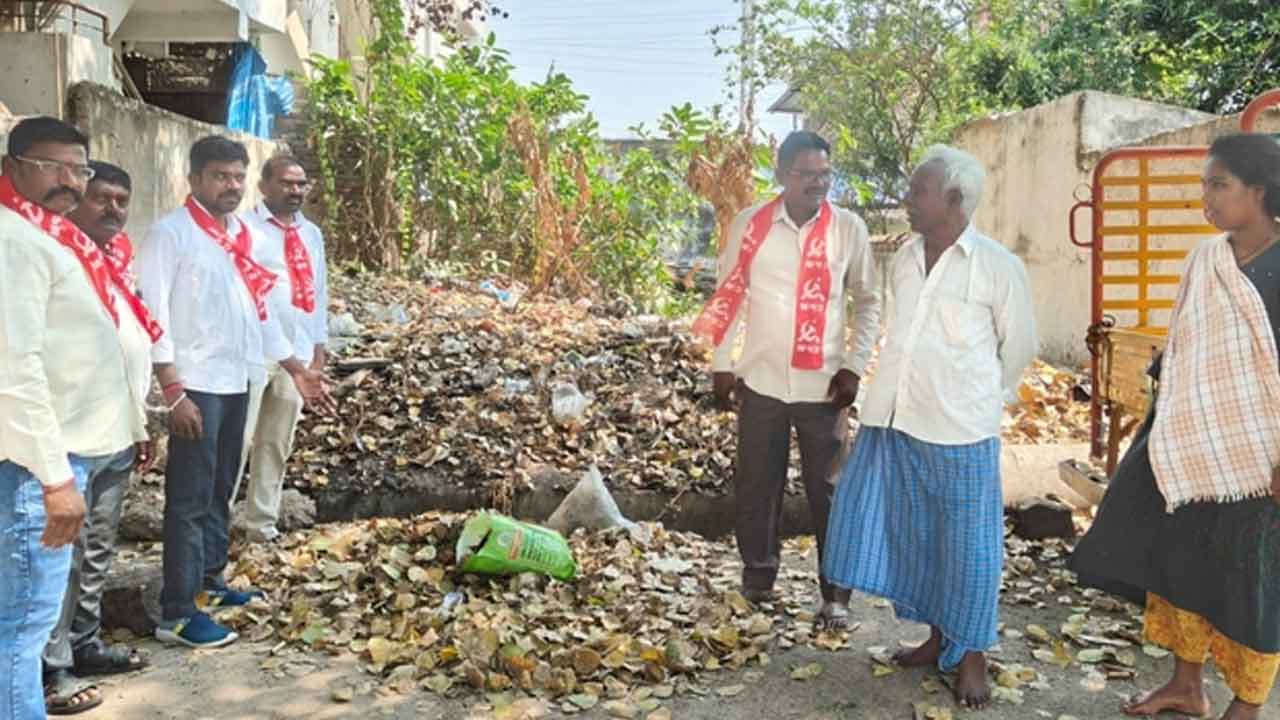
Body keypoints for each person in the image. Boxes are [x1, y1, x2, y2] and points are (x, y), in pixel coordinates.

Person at [1070, 133, 1280, 720]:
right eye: (1204, 185)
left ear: (1259, 191)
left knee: (1252, 583)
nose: (1206, 198)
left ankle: (1248, 704)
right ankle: (1187, 685)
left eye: (1219, 185)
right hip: (1192, 444)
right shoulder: (1205, 259)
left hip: (1260, 459)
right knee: (1183, 562)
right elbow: (1185, 342)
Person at [824, 145, 1037, 709]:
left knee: (971, 547)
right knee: (921, 537)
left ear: (954, 198)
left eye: (918, 190)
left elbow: (1020, 347)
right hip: (899, 420)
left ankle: (973, 656)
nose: (907, 199)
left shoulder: (996, 265)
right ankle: (938, 638)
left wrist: (980, 397)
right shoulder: (905, 256)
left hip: (962, 429)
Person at [135, 136, 334, 650]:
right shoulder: (170, 235)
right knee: (189, 497)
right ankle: (178, 613)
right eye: (220, 176)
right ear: (195, 179)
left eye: (238, 177)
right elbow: (152, 318)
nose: (231, 185)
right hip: (195, 385)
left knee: (221, 486)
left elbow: (260, 311)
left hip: (236, 379)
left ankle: (209, 581)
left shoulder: (241, 234)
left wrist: (295, 367)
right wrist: (173, 391)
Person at [695, 130, 881, 629]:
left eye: (825, 175)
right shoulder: (750, 224)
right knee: (757, 485)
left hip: (825, 385)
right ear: (781, 174)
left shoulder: (848, 229)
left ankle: (836, 593)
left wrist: (854, 366)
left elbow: (868, 301)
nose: (817, 184)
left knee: (830, 492)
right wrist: (721, 362)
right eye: (806, 175)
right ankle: (758, 578)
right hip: (760, 380)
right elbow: (730, 294)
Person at [0, 118, 151, 719]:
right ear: (12, 166)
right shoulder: (15, 240)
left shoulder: (53, 236)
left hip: (63, 456)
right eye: (51, 166)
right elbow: (15, 368)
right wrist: (55, 478)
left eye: (78, 169)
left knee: (24, 620)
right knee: (23, 627)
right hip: (38, 466)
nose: (68, 180)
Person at [39, 162, 154, 714]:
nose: (113, 209)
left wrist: (139, 421)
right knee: (61, 557)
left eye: (121, 200)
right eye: (101, 197)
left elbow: (128, 344)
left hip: (115, 428)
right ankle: (50, 667)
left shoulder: (116, 259)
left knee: (98, 549)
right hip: (68, 435)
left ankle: (84, 644)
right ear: (75, 201)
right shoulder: (54, 256)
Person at [237, 156, 328, 543]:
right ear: (263, 186)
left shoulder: (311, 234)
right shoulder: (244, 228)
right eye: (287, 183)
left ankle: (261, 526)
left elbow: (319, 291)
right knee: (239, 439)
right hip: (254, 351)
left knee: (276, 442)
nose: (295, 191)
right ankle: (215, 526)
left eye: (301, 184)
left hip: (299, 351)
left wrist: (318, 349)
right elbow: (247, 292)